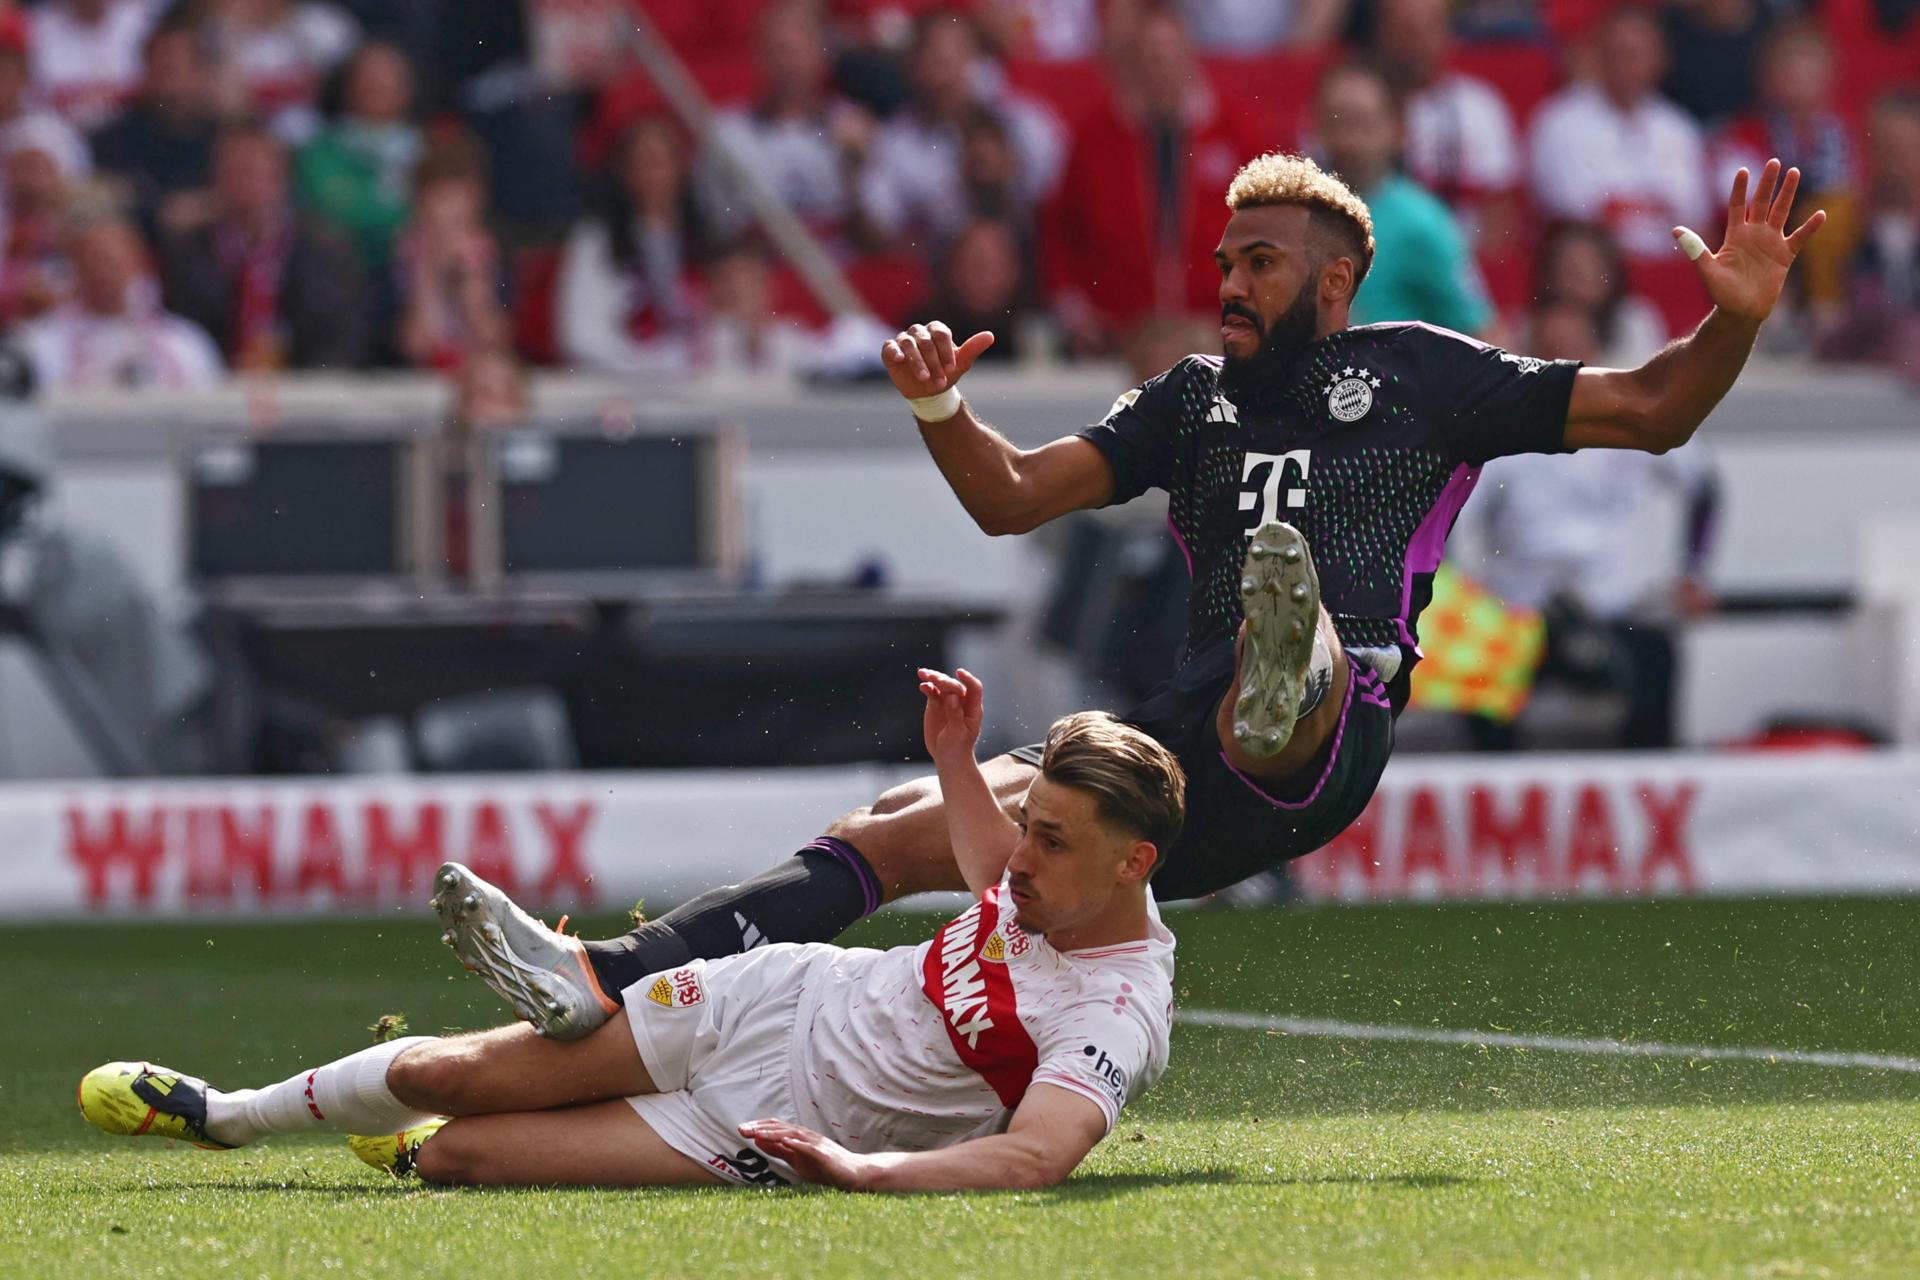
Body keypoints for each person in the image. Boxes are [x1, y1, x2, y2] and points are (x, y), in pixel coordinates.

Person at [429, 149, 1823, 1049]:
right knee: (895, 828)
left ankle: (1305, 660)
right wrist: (939, 406)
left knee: (1294, 690)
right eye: (1221, 258)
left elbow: (1649, 409)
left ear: (1334, 280)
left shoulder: (1426, 374)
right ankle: (605, 977)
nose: (1226, 280)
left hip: (1314, 755)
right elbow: (1014, 493)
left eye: (1257, 261)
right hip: (1171, 739)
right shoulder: (1190, 402)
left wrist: (1738, 318)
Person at [78, 680, 1183, 1192]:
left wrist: (861, 1167)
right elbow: (995, 861)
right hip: (774, 995)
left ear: (1135, 864)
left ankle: (433, 1113)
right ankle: (228, 1115)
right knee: (446, 1067)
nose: (1017, 861)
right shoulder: (1054, 878)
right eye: (1029, 829)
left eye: (1054, 843)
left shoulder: (1113, 1009)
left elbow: (1040, 1154)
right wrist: (956, 759)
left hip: (773, 1125)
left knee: (459, 1153)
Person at [159, 123, 368, 370]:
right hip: (213, 390)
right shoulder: (187, 254)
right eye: (233, 171)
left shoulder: (326, 252)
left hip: (307, 393)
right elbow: (178, 335)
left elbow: (343, 339)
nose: (243, 182)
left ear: (281, 178)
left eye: (252, 170)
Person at [1315, 58, 1493, 335]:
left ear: (1395, 130)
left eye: (1363, 124)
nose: (1349, 139)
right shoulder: (1297, 214)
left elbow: (1482, 331)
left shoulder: (1422, 223)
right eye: (1337, 121)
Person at [1527, 7, 1711, 258]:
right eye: (1617, 53)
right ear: (1598, 54)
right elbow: (1572, 218)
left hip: (1668, 269)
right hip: (1594, 271)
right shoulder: (1559, 120)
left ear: (1661, 60)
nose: (1624, 64)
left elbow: (1696, 221)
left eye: (1636, 55)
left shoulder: (1678, 126)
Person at [20, 214, 224, 390]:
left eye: (116, 259)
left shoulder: (185, 343)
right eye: (97, 258)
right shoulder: (42, 344)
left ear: (138, 264)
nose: (107, 270)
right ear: (76, 265)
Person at [90, 21, 221, 239]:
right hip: (143, 251)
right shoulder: (113, 141)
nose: (168, 80)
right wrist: (163, 211)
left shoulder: (227, 136)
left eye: (175, 68)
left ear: (203, 72)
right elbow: (114, 203)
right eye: (160, 66)